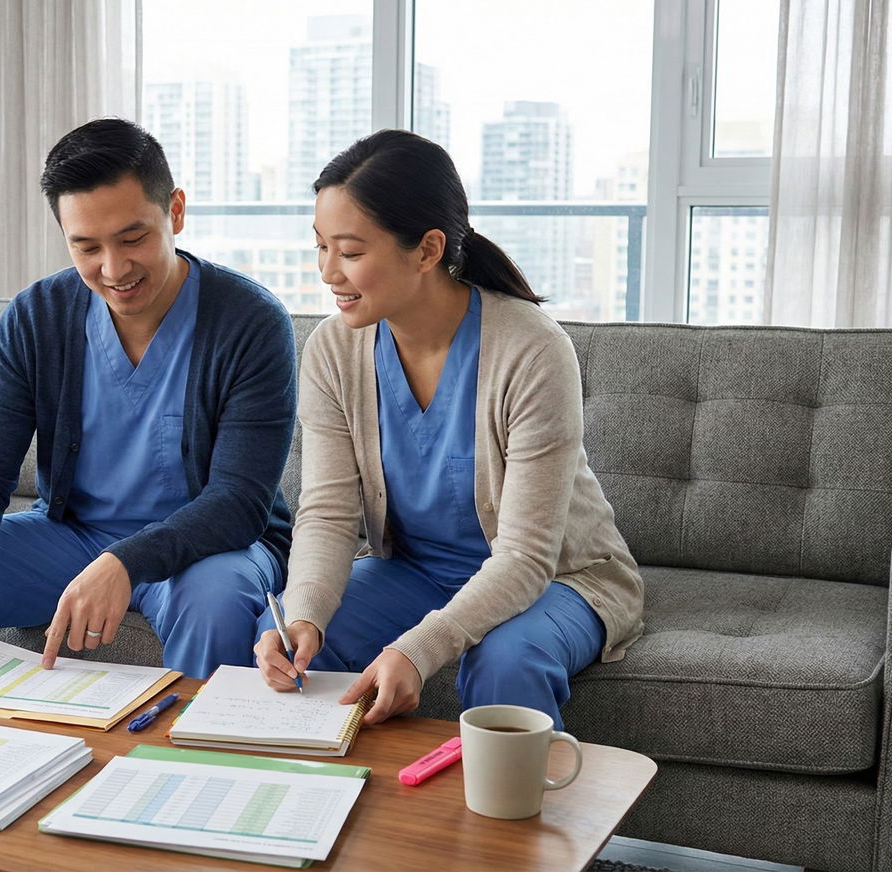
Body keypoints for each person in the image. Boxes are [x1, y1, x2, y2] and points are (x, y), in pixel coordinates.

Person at [255, 129, 644, 728]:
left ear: (428, 249)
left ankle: (518, 797)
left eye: (350, 252)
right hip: (414, 573)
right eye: (320, 246)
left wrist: (421, 647)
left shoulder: (532, 350)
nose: (328, 271)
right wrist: (303, 612)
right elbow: (328, 513)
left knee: (504, 664)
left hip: (559, 579)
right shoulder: (333, 350)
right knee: (288, 641)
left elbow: (525, 556)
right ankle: (335, 789)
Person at [0, 118, 296, 678]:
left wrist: (123, 562)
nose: (114, 268)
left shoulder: (251, 322)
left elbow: (239, 501)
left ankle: (199, 738)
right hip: (73, 536)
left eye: (133, 239)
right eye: (87, 247)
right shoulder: (36, 317)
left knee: (214, 604)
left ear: (175, 211)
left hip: (211, 551)